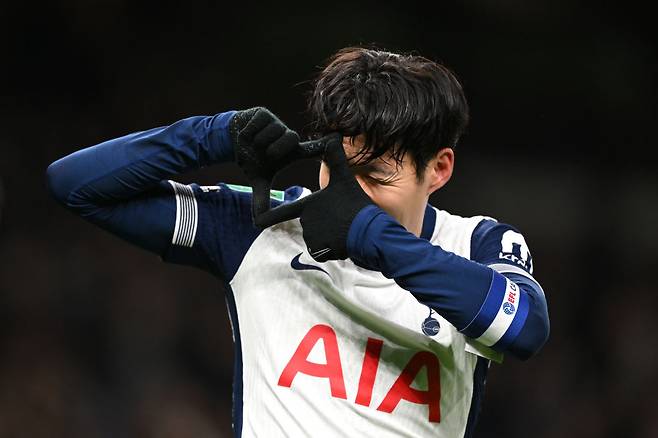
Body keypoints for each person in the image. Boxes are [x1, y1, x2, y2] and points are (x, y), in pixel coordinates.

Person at [46, 47, 549, 437]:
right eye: (336, 167)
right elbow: (77, 186)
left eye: (375, 177)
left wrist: (368, 234)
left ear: (438, 169)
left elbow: (524, 328)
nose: (349, 195)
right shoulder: (266, 224)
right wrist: (211, 135)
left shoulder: (478, 242)